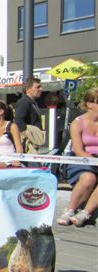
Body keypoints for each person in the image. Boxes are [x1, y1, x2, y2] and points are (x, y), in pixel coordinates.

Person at [56, 87, 98, 227]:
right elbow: (79, 151)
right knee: (88, 178)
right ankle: (69, 210)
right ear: (89, 104)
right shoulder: (77, 123)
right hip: (80, 159)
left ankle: (85, 213)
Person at [15, 77, 45, 154]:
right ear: (28, 89)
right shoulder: (24, 102)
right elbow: (19, 121)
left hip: (32, 142)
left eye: (41, 87)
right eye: (38, 87)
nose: (41, 89)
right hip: (28, 143)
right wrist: (28, 137)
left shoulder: (32, 102)